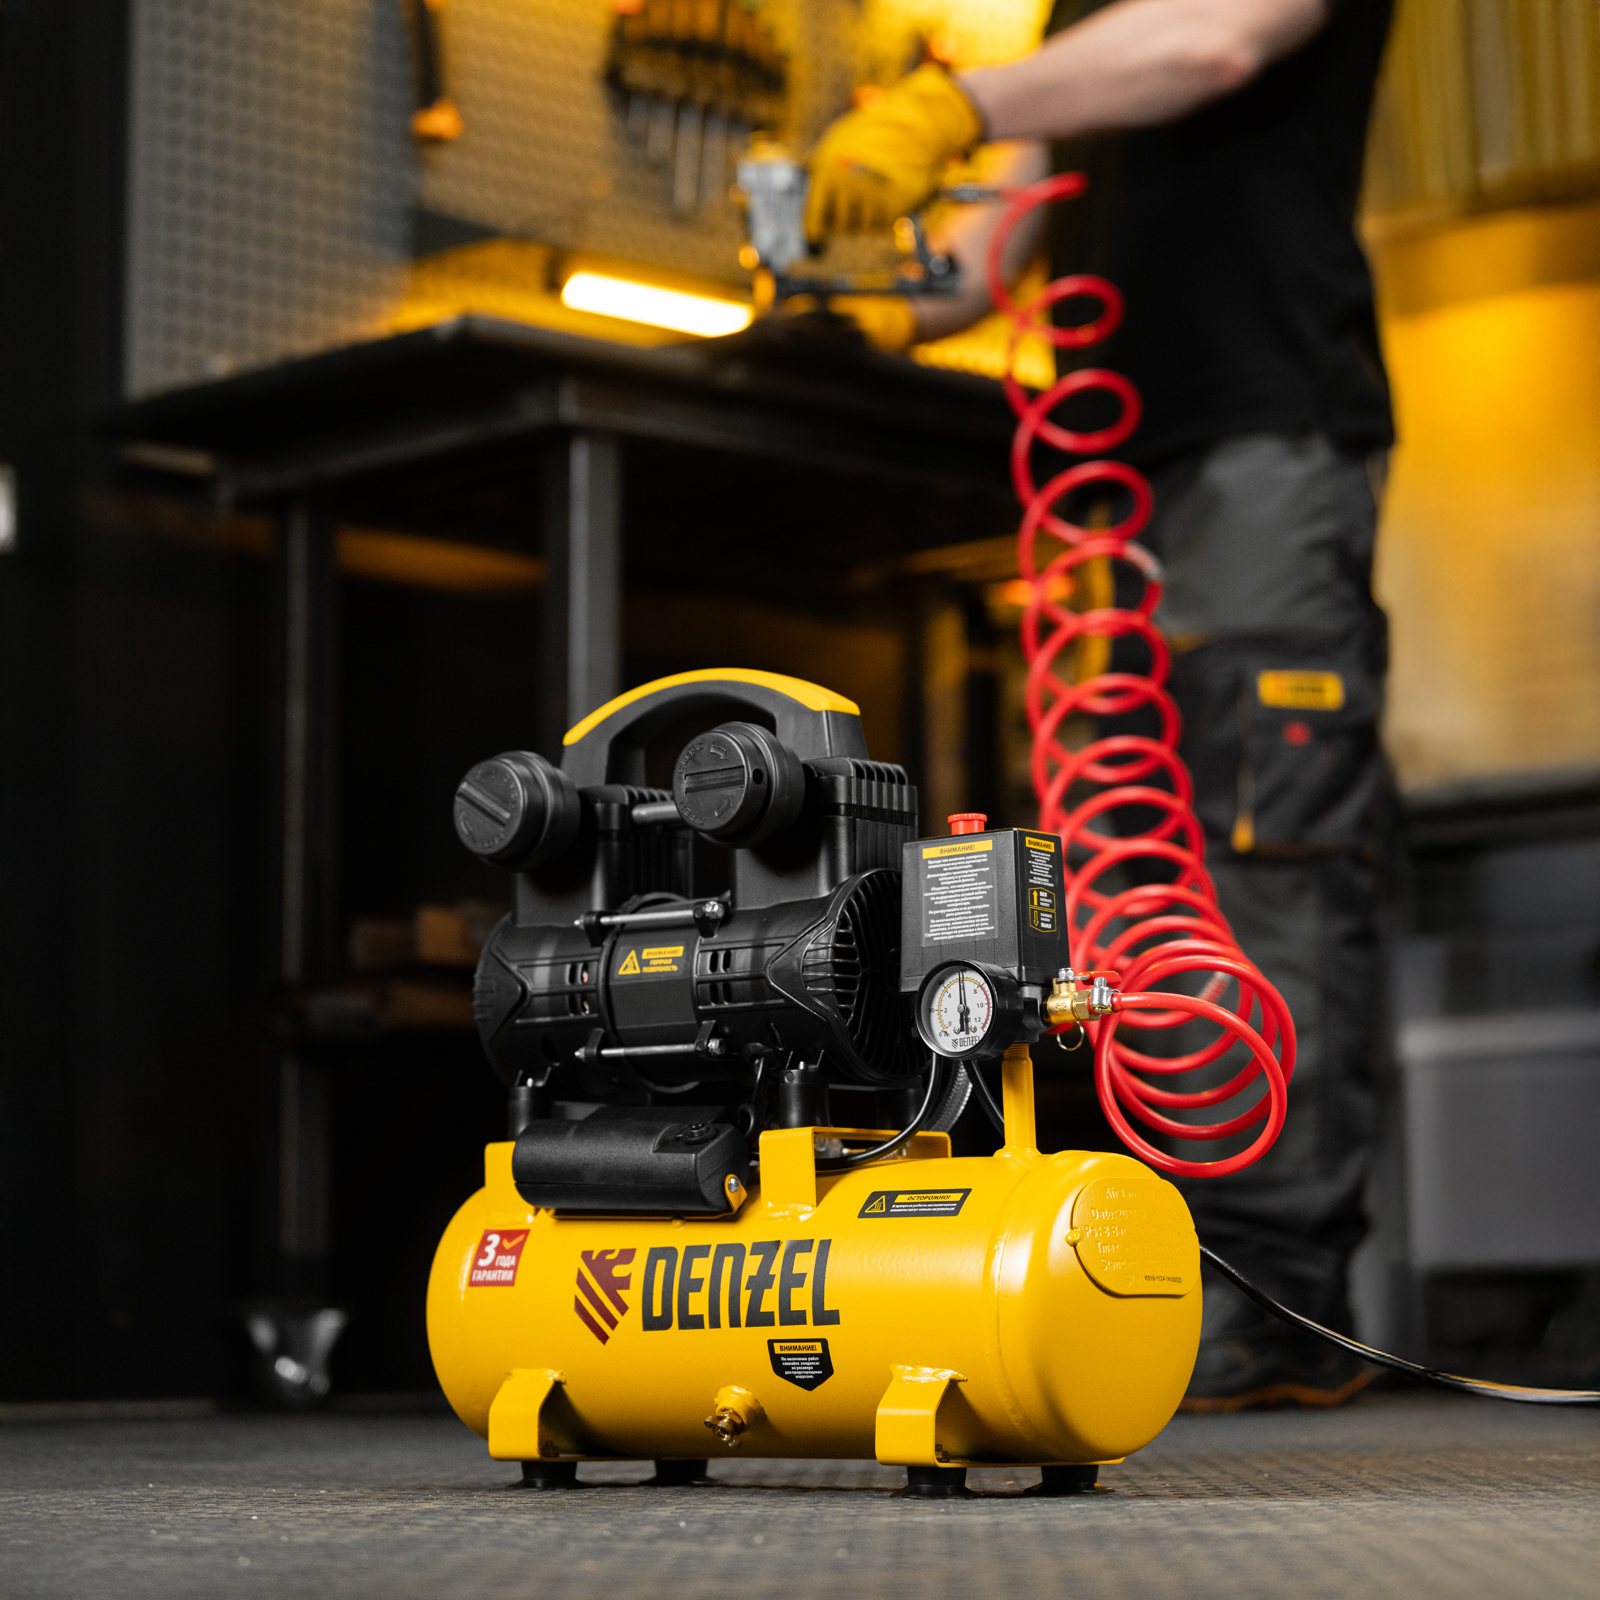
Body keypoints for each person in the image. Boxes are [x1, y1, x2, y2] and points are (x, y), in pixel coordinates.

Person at [804, 0, 1397, 1410]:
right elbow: (977, 263)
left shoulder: (1149, 29)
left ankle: (1281, 1293)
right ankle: (1172, 1265)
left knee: (1264, 845)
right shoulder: (1075, 21)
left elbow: (1213, 42)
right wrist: (852, 285)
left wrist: (954, 103)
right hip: (1121, 465)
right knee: (1131, 873)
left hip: (1262, 435)